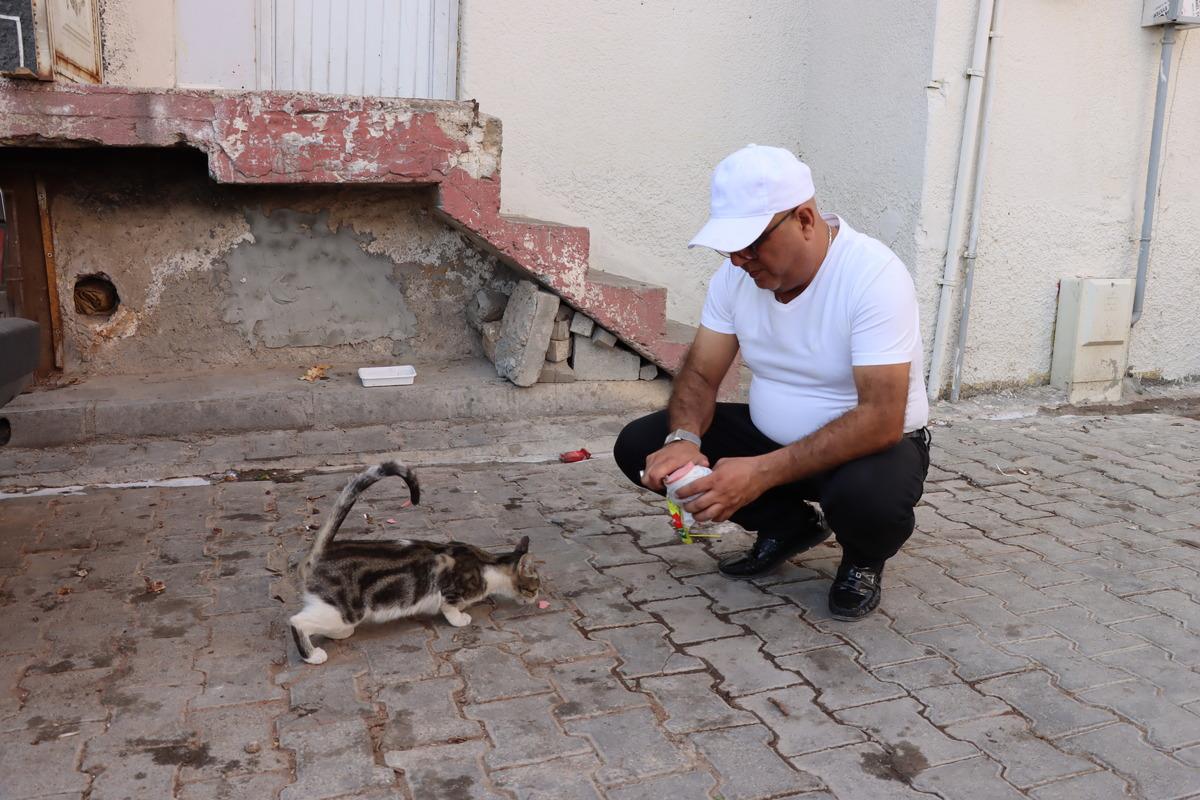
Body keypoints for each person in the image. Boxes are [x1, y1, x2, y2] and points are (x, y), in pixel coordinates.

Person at [613, 144, 931, 620]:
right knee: (641, 443)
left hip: (870, 447)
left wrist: (759, 473)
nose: (740, 260)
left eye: (752, 244)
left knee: (869, 498)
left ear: (804, 219)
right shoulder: (734, 277)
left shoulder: (873, 276)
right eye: (730, 247)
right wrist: (683, 439)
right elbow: (700, 373)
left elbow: (882, 418)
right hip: (773, 438)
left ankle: (863, 560)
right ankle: (791, 527)